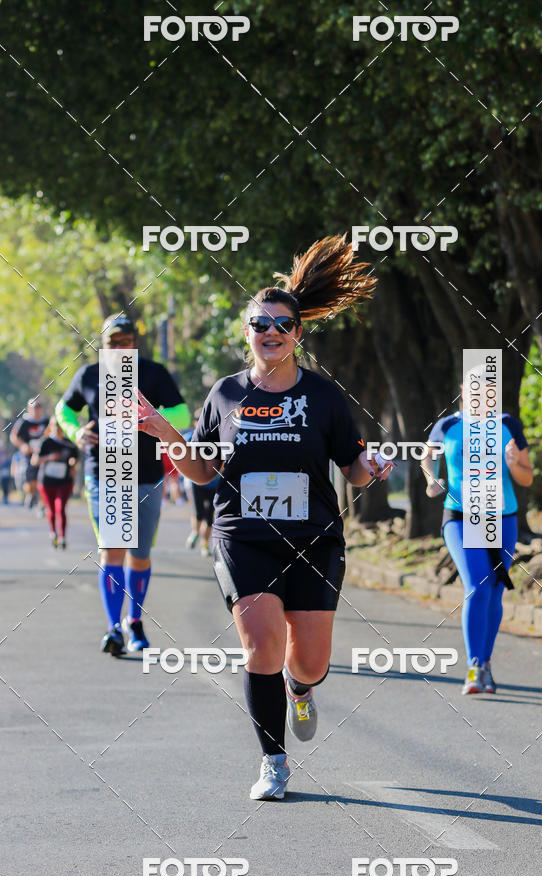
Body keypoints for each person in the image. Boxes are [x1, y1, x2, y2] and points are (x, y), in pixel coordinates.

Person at [137, 235, 393, 800]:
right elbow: (201, 470)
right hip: (243, 537)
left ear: (298, 333)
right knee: (261, 647)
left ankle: (300, 689)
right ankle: (273, 764)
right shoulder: (224, 395)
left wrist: (371, 465)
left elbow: (351, 468)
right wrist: (166, 433)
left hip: (314, 538)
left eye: (282, 324)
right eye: (260, 323)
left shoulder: (324, 397)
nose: (270, 332)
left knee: (310, 662)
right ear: (247, 331)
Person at [55, 314, 190, 655]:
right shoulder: (89, 374)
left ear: (135, 342)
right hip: (105, 473)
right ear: (102, 344)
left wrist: (151, 418)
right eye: (111, 342)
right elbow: (63, 410)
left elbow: (182, 414)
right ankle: (114, 627)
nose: (118, 347)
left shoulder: (154, 373)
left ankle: (135, 620)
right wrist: (76, 432)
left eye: (125, 341)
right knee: (112, 549)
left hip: (147, 474)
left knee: (140, 554)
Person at [423, 383, 533, 695]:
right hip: (460, 515)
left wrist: (513, 464)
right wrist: (432, 480)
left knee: (495, 590)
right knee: (477, 585)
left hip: (502, 517)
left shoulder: (508, 425)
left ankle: (485, 663)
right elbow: (426, 457)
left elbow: (527, 477)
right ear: (463, 389)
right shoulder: (448, 425)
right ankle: (473, 669)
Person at [32, 417, 78, 548]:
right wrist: (49, 457)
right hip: (47, 482)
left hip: (64, 481)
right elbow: (34, 461)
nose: (57, 428)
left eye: (59, 425)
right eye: (54, 425)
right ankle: (53, 533)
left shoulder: (69, 443)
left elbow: (75, 459)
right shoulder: (45, 442)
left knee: (60, 508)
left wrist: (73, 463)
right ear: (50, 427)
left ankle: (62, 537)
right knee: (51, 509)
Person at [184, 408, 218, 554]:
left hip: (214, 483)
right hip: (195, 483)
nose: (201, 423)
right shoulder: (189, 437)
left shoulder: (218, 436)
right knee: (199, 512)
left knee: (209, 516)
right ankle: (195, 532)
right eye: (198, 420)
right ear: (194, 422)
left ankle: (204, 545)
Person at [10, 398, 49, 508]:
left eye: (38, 407)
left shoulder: (46, 421)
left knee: (42, 479)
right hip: (28, 455)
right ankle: (30, 494)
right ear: (29, 409)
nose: (36, 410)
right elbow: (13, 437)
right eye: (34, 407)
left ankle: (41, 505)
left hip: (42, 455)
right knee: (30, 479)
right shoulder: (24, 422)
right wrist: (23, 445)